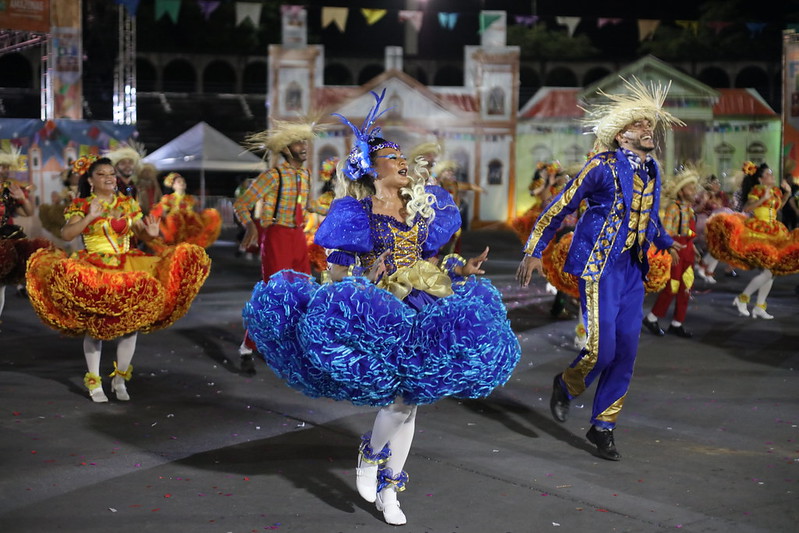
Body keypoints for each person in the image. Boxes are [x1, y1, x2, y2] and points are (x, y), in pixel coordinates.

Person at [242, 90, 520, 525]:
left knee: (412, 400)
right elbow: (336, 273)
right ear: (371, 169)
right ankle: (371, 457)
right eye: (392, 157)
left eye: (402, 156)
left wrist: (460, 266)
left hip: (423, 304)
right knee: (397, 401)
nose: (402, 161)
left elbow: (428, 263)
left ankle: (391, 487)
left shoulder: (420, 208)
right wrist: (365, 282)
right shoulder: (357, 212)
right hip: (380, 310)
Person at [516, 77, 685, 461]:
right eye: (640, 125)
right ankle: (567, 384)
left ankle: (603, 427)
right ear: (621, 135)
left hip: (631, 270)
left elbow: (648, 218)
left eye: (650, 125)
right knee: (600, 349)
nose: (648, 130)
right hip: (600, 266)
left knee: (626, 352)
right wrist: (534, 250)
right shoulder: (601, 167)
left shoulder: (652, 170)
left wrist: (665, 242)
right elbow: (560, 207)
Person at [25, 156, 211, 402]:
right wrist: (90, 216)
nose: (109, 177)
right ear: (90, 180)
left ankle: (120, 378)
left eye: (111, 173)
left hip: (128, 264)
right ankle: (94, 381)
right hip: (95, 267)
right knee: (96, 327)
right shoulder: (81, 203)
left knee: (130, 324)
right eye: (102, 174)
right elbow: (67, 233)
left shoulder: (127, 203)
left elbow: (140, 231)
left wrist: (151, 232)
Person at [233, 118, 319, 371]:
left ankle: (291, 348)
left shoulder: (306, 174)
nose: (303, 147)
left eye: (304, 142)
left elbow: (309, 206)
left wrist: (343, 204)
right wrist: (249, 225)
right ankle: (248, 347)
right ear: (285, 149)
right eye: (296, 143)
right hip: (276, 237)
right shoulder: (273, 175)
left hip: (297, 239)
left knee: (304, 295)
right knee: (274, 296)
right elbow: (242, 203)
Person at [706, 162, 799, 319]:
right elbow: (748, 209)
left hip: (775, 230)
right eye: (768, 174)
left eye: (771, 173)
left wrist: (787, 194)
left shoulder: (776, 190)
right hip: (760, 230)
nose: (772, 175)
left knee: (772, 272)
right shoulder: (757, 190)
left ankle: (759, 306)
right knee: (769, 272)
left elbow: (777, 208)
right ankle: (743, 298)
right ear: (761, 179)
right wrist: (763, 197)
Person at [643, 165, 701, 338]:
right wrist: (670, 249)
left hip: (688, 252)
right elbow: (667, 233)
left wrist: (694, 248)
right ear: (681, 191)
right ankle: (652, 318)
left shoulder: (689, 209)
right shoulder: (673, 209)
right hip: (676, 252)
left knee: (686, 287)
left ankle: (677, 323)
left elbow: (687, 234)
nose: (693, 191)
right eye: (690, 188)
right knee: (672, 287)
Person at [0, 147, 51, 322]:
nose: (3, 170)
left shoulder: (10, 188)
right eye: (1, 166)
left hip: (4, 239)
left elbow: (27, 212)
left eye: (6, 166)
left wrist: (22, 197)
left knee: (1, 286)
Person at [149, 172, 222, 248]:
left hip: (190, 223)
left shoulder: (190, 198)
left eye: (183, 181)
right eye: (179, 182)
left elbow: (196, 211)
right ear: (173, 185)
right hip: (175, 224)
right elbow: (163, 213)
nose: (182, 183)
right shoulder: (168, 198)